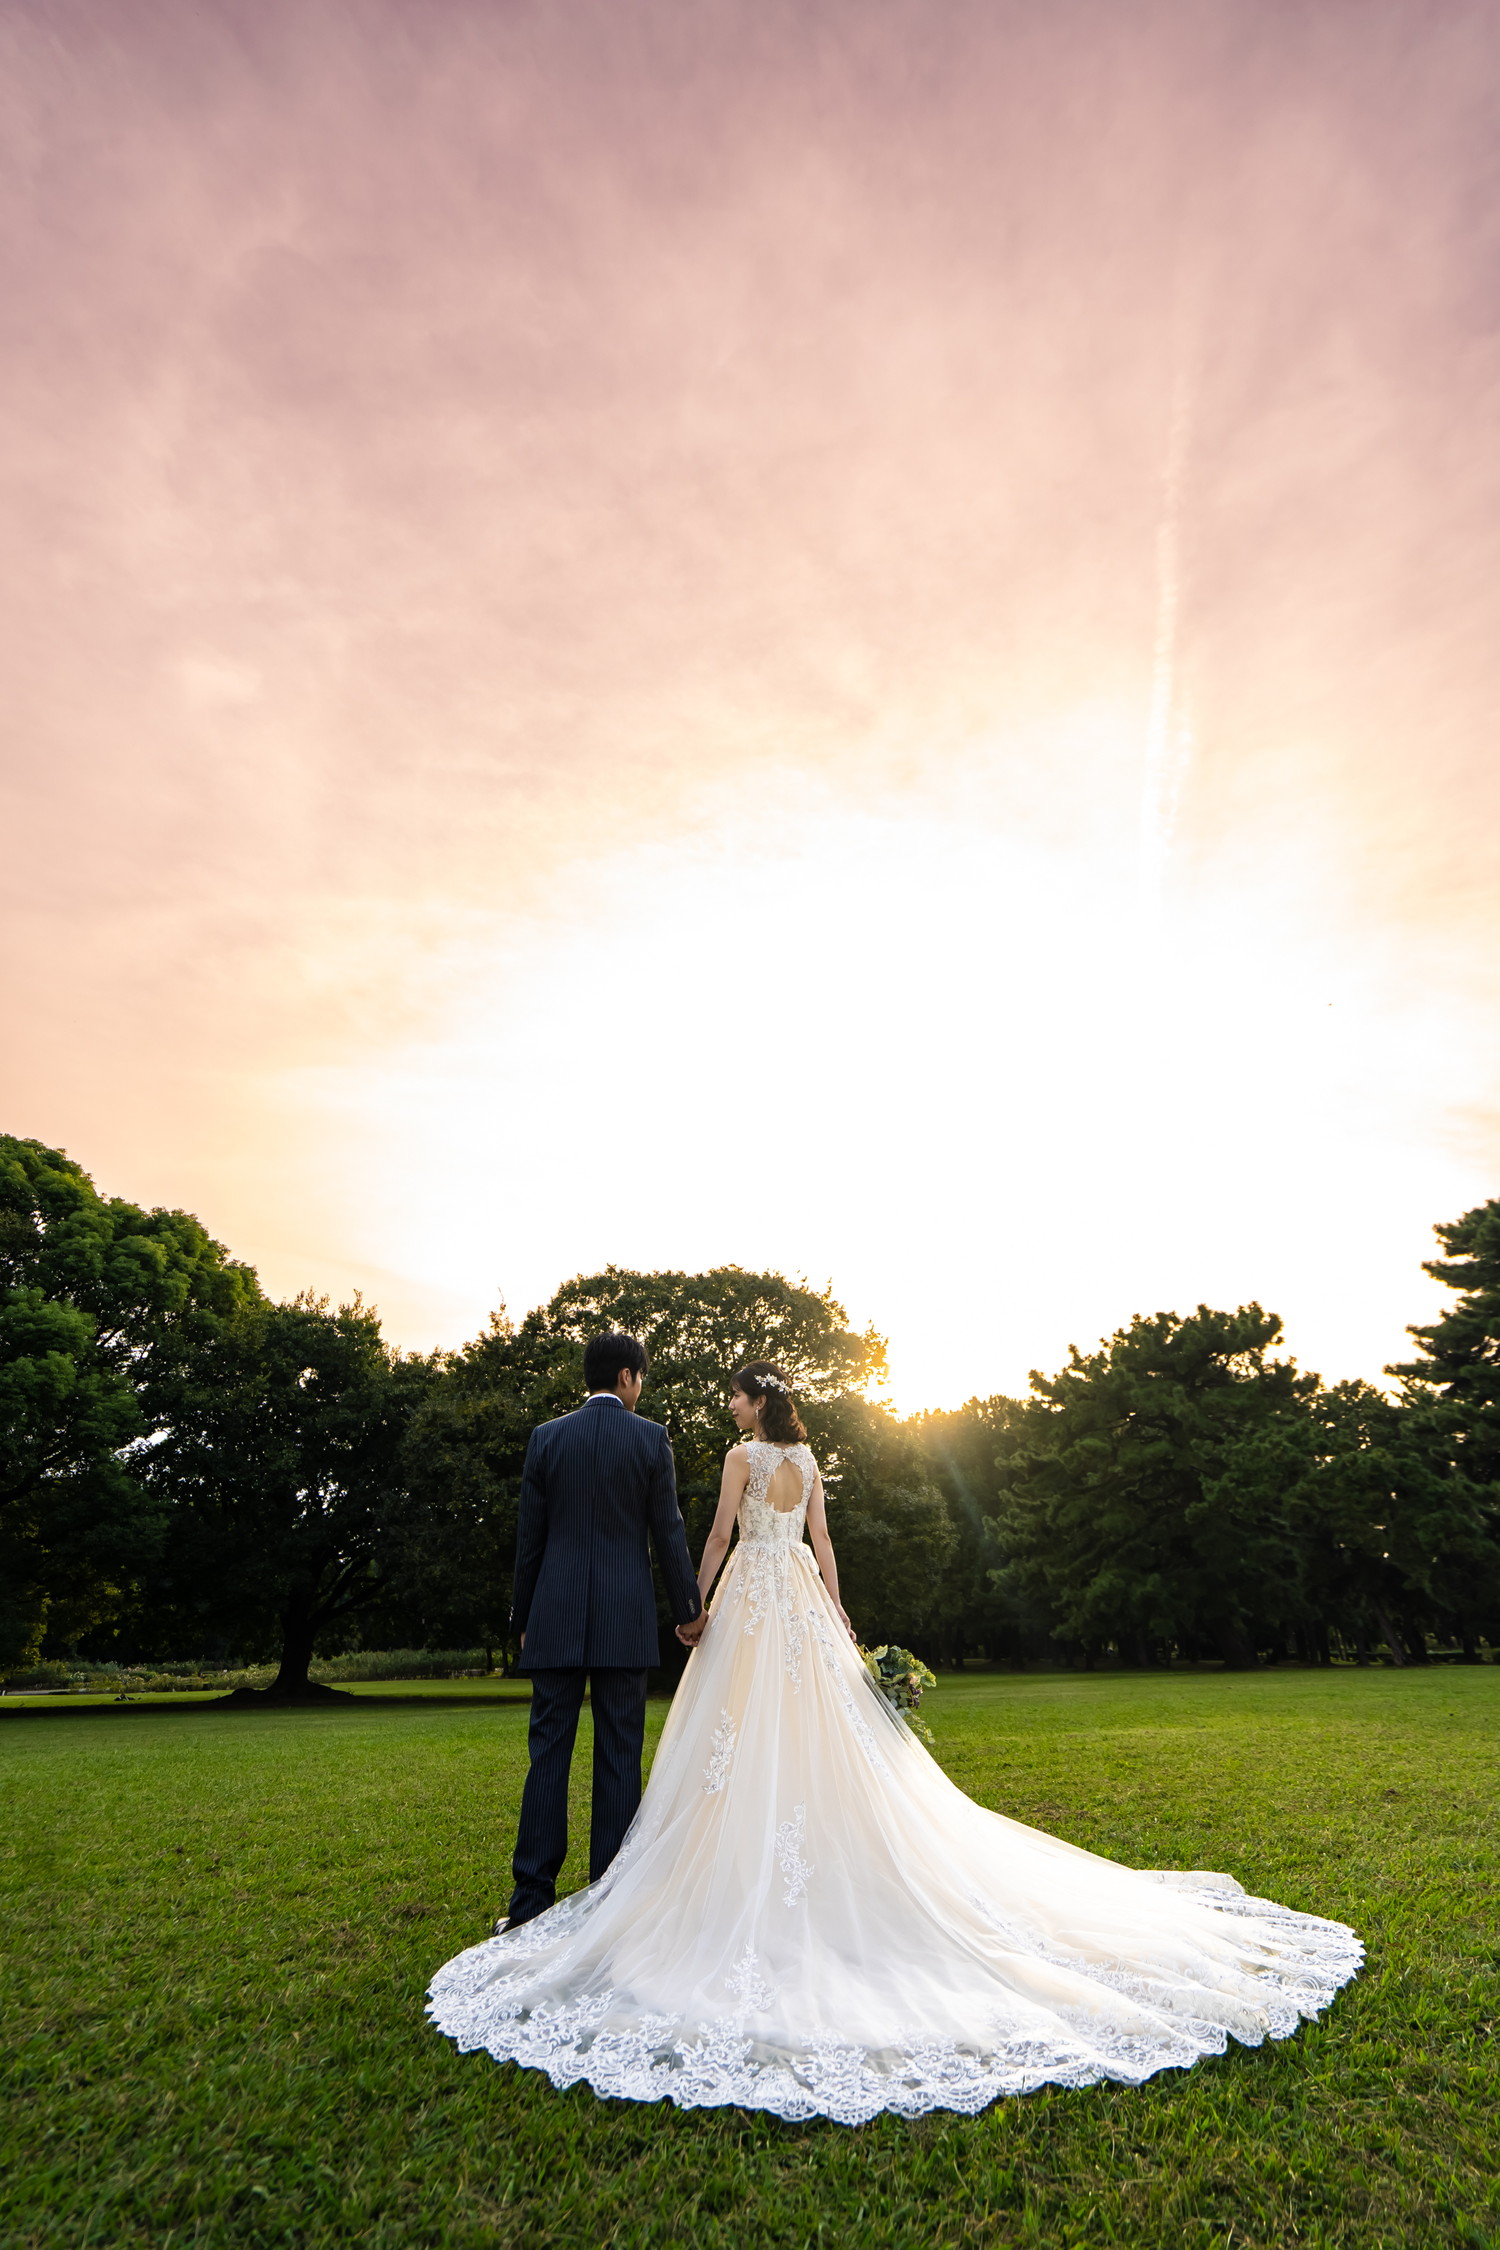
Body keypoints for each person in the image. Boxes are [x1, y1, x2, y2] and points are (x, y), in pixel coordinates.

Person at [432, 1361, 1362, 2125]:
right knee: (797, 1740)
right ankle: (644, 1873)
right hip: (798, 1597)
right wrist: (837, 1616)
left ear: (757, 1402)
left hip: (749, 1601)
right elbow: (826, 1547)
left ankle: (582, 1886)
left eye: (737, 1395)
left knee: (712, 1742)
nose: (728, 1405)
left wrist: (699, 1607)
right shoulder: (808, 1461)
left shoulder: (735, 1456)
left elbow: (711, 1532)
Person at [501, 1329, 703, 1930]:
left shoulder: (547, 1438)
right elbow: (668, 1531)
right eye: (641, 1378)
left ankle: (530, 1904)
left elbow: (529, 1540)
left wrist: (521, 1618)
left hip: (554, 1616)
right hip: (624, 1618)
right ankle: (608, 1904)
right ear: (626, 1378)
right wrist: (689, 1608)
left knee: (548, 1756)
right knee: (619, 1754)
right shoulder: (650, 1439)